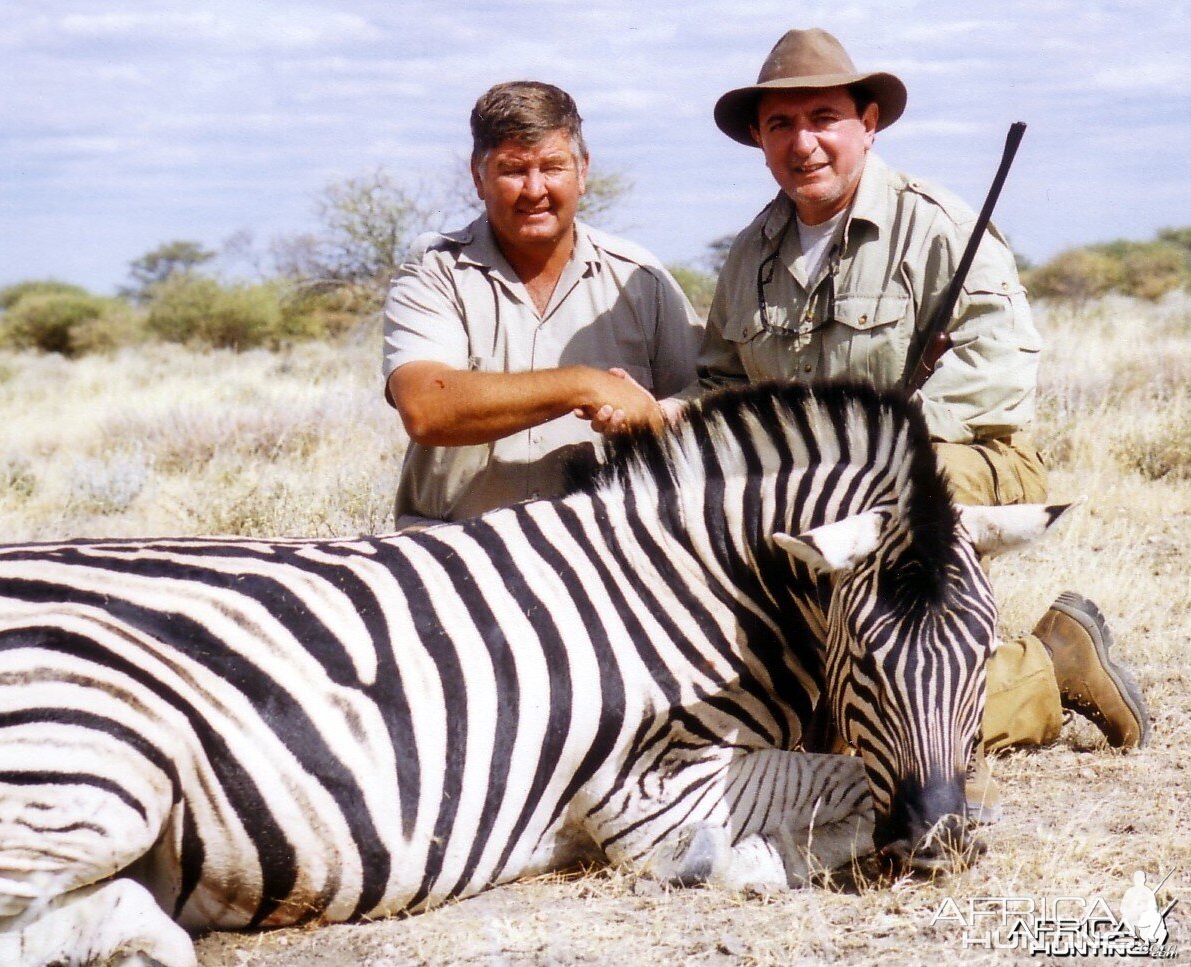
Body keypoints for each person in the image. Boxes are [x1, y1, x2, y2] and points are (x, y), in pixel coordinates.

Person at [700, 28, 1150, 795]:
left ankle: (1044, 673)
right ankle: (1026, 664)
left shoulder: (935, 223)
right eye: (781, 124)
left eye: (823, 118)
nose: (803, 142)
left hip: (963, 461)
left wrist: (870, 461)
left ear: (867, 123)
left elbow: (998, 368)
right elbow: (720, 384)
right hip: (826, 497)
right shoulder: (752, 253)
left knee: (849, 725)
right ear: (758, 138)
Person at [383, 81, 700, 527]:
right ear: (478, 176)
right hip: (451, 554)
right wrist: (584, 386)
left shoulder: (640, 278)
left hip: (605, 556)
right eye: (513, 170)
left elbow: (705, 397)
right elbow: (425, 408)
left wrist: (654, 417)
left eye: (553, 167)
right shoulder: (436, 270)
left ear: (583, 171)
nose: (534, 190)